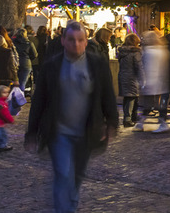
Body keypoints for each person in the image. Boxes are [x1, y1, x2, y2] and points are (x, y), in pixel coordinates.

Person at [25, 21, 118, 213]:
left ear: (86, 42)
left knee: (77, 175)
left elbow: (107, 94)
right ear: (63, 41)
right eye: (71, 40)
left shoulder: (97, 64)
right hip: (59, 132)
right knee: (63, 174)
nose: (75, 44)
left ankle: (71, 205)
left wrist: (111, 122)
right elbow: (39, 100)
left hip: (86, 131)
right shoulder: (52, 66)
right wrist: (32, 132)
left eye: (80, 40)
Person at [137, 30, 170, 133]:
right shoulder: (162, 50)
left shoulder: (148, 52)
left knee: (149, 104)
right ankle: (158, 123)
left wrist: (143, 82)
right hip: (161, 81)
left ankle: (145, 123)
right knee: (159, 105)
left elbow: (146, 68)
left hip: (151, 81)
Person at [117, 33, 143, 128]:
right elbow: (139, 67)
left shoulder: (122, 52)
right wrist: (143, 79)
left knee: (127, 97)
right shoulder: (135, 53)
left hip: (123, 76)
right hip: (132, 77)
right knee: (131, 97)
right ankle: (128, 119)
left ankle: (130, 117)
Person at [12, 27, 38, 93]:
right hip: (26, 63)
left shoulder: (13, 43)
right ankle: (20, 97)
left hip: (15, 63)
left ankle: (14, 96)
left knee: (14, 82)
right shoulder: (29, 43)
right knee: (23, 82)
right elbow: (34, 54)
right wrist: (30, 59)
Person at [0, 85, 15, 152]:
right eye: (4, 92)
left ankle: (3, 145)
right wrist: (11, 120)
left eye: (7, 92)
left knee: (3, 134)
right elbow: (5, 114)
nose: (7, 94)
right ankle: (3, 145)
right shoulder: (2, 104)